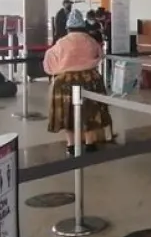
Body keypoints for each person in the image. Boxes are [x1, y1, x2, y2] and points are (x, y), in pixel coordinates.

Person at [44, 10, 111, 156]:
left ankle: (71, 145)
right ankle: (90, 143)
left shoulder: (62, 42)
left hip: (65, 82)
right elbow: (100, 55)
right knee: (90, 113)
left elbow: (49, 60)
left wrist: (59, 69)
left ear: (68, 27)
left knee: (68, 113)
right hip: (90, 80)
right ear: (83, 26)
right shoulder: (91, 40)